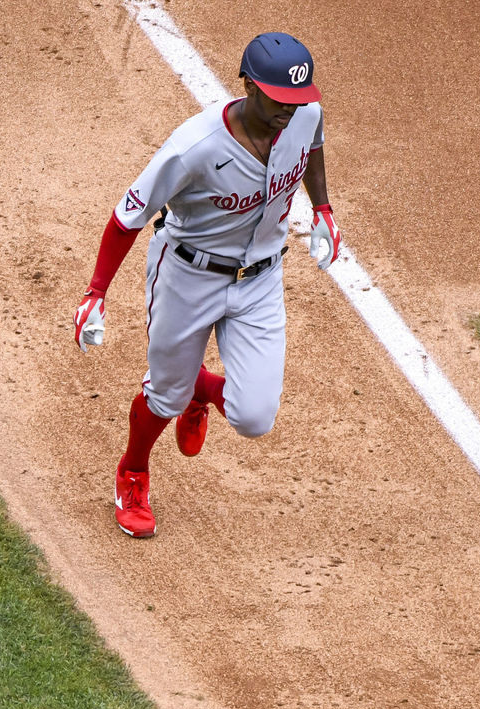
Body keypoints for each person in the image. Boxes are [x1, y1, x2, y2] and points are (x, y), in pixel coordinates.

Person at [72, 33, 343, 538]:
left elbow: (314, 138)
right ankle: (133, 470)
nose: (290, 112)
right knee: (165, 396)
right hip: (187, 276)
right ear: (247, 85)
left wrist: (322, 207)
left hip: (260, 280)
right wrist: (96, 292)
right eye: (279, 101)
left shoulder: (302, 115)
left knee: (254, 417)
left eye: (297, 101)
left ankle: (199, 389)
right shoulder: (194, 148)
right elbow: (127, 217)